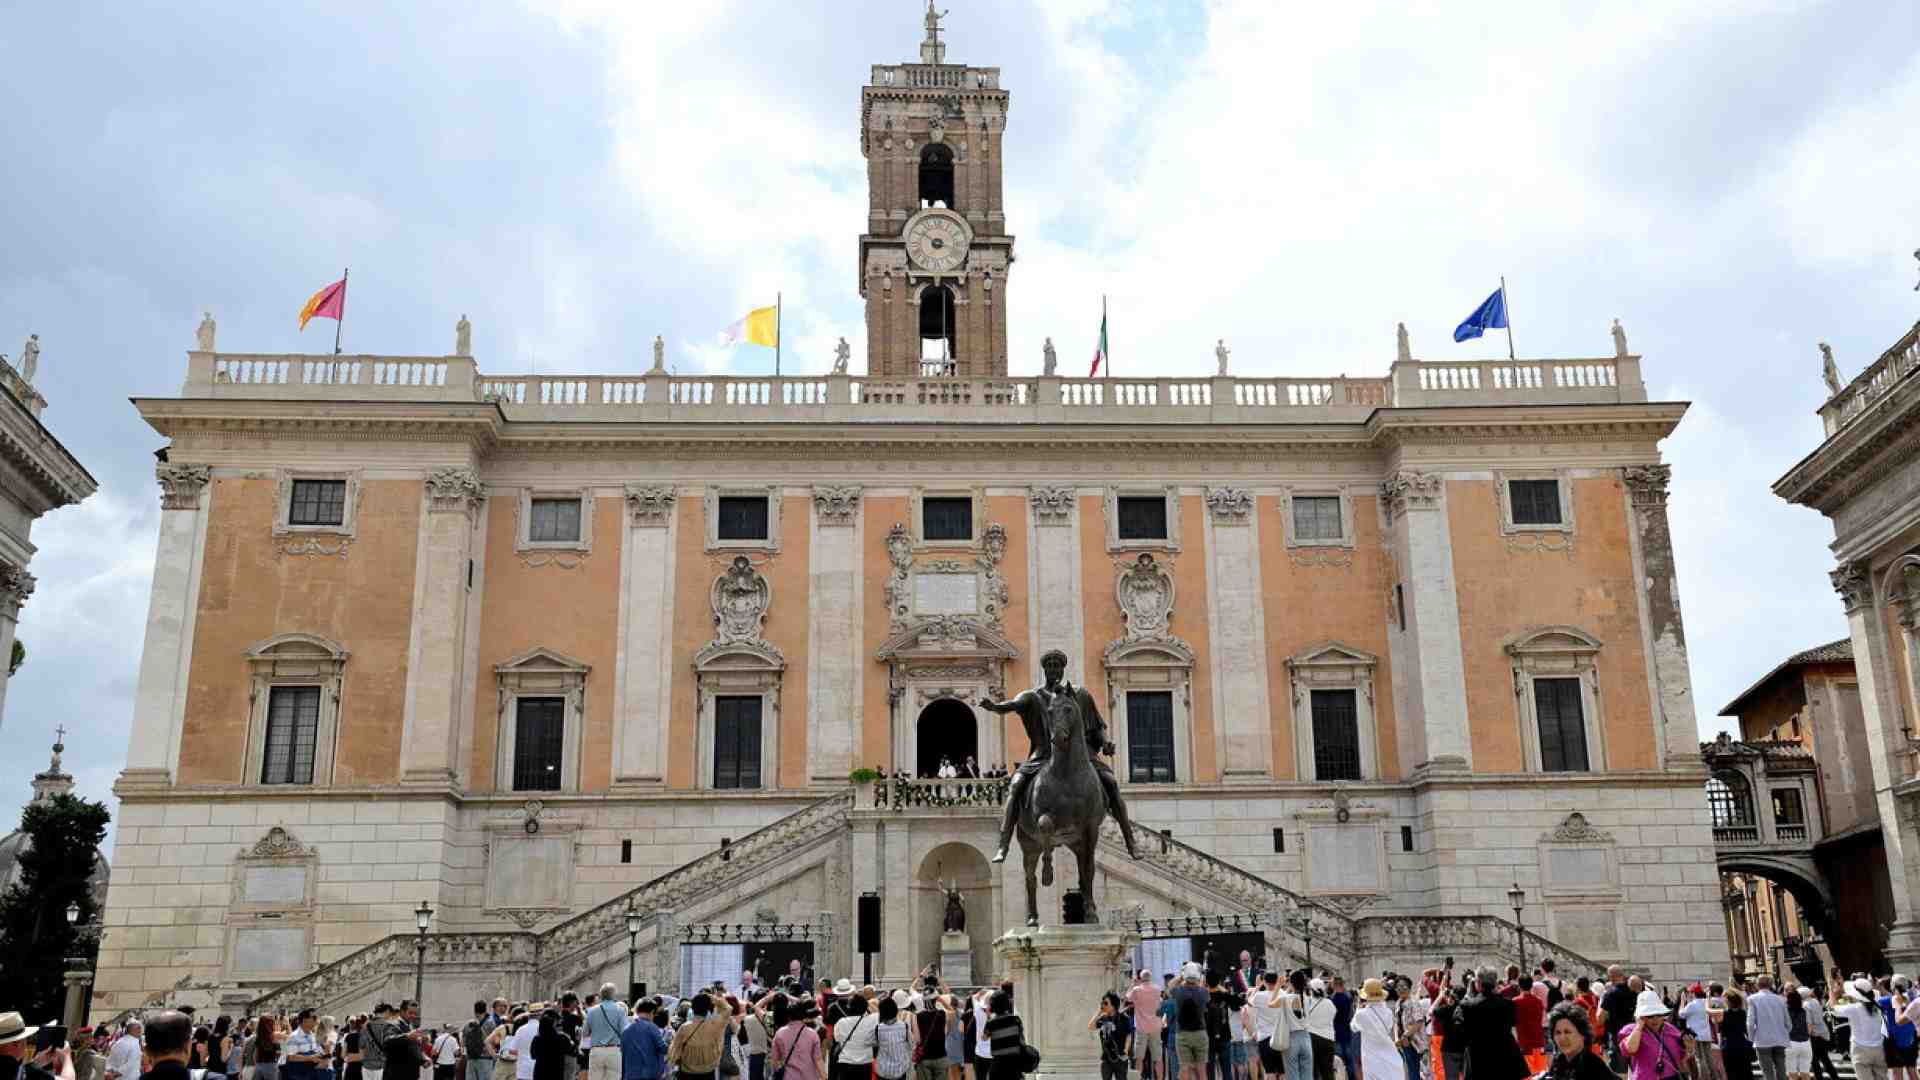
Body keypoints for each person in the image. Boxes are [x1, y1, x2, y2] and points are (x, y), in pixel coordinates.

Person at [1458, 968, 1528, 1080]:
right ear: (1495, 983)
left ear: (1478, 984)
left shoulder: (1468, 1006)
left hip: (1478, 1060)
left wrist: (1468, 995)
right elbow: (1513, 1023)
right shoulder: (1508, 1005)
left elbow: (1459, 1027)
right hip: (1505, 1058)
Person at [1619, 990, 1688, 1080]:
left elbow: (1681, 1058)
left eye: (1658, 1015)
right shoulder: (1631, 1030)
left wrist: (1689, 1049)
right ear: (1641, 1016)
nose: (1655, 1019)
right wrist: (1639, 1026)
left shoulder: (1671, 1029)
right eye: (1649, 1015)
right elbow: (1630, 1049)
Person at [1545, 1002, 1616, 1080]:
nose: (1562, 1038)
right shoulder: (1559, 1061)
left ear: (1582, 1035)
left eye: (1567, 1032)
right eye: (1558, 1033)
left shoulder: (1592, 1066)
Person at [1832, 980, 1886, 1080]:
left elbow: (1834, 1009)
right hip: (1879, 1047)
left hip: (1860, 1048)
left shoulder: (1855, 1008)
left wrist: (1833, 993)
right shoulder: (1878, 1007)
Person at [1354, 978, 1407, 1080]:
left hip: (1371, 1054)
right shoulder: (1388, 1012)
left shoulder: (1362, 1014)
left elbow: (1354, 1026)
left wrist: (1358, 1006)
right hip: (1388, 1050)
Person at [668, 995, 726, 1080]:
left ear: (693, 1008)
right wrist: (714, 998)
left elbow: (674, 1051)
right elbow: (728, 1009)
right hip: (708, 1072)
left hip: (687, 1073)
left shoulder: (685, 1028)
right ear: (708, 1009)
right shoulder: (714, 1026)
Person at [1749, 976, 1790, 1080]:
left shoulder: (1753, 999)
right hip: (1780, 1038)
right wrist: (1785, 1032)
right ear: (1771, 985)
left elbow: (1750, 1022)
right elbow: (1788, 1022)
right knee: (1781, 1069)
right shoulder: (1781, 999)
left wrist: (1751, 1038)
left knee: (1767, 1072)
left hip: (1762, 1039)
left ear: (1757, 985)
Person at [769, 1003, 822, 1080]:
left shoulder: (780, 1033)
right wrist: (824, 1076)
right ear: (803, 1016)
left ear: (788, 1016)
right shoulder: (812, 1034)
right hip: (809, 1076)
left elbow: (774, 1060)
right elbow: (818, 1059)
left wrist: (777, 1072)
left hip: (788, 1076)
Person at [584, 987, 627, 1080]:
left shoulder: (591, 1011)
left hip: (596, 1050)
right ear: (613, 995)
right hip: (614, 1050)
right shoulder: (620, 1010)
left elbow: (585, 1032)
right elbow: (624, 1033)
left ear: (601, 995)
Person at [833, 994, 879, 1080]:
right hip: (865, 1064)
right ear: (865, 1008)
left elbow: (837, 1038)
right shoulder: (872, 1020)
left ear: (849, 1007)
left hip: (845, 1063)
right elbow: (877, 1012)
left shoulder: (841, 1022)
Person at [616, 1003, 666, 1080]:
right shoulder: (652, 1027)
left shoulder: (626, 1029)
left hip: (630, 1074)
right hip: (649, 1073)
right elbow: (663, 1048)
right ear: (652, 1012)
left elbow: (622, 1051)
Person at [1131, 970, 1166, 1080]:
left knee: (1139, 1058)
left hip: (1141, 1028)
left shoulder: (1137, 990)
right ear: (1150, 978)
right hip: (1155, 1027)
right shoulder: (1157, 989)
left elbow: (1127, 998)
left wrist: (1134, 984)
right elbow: (1160, 1004)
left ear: (1141, 978)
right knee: (1158, 1058)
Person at [1883, 979, 1919, 1080]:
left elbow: (1871, 1002)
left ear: (1893, 987)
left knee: (1897, 1073)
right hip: (1911, 1040)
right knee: (1912, 1071)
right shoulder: (1914, 999)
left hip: (1895, 1041)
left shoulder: (1888, 1000)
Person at [981, 992, 1023, 1080]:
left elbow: (984, 1038)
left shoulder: (991, 1023)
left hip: (998, 1064)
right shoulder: (1016, 1020)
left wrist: (988, 1016)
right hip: (1014, 1063)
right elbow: (1021, 1038)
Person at [1091, 994, 1132, 1080]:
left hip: (1120, 1058)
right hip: (1106, 1058)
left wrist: (1126, 1049)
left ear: (1113, 1005)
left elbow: (1129, 1034)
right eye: (1102, 1003)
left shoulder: (1123, 1018)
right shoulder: (1103, 1018)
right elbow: (1091, 1026)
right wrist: (1099, 1012)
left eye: (1106, 1003)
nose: (1103, 1005)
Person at [1802, 987, 1837, 1080]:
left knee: (1814, 1062)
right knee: (1825, 1059)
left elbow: (1809, 1023)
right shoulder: (1815, 1001)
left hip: (1814, 1036)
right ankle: (1835, 1077)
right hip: (1822, 1034)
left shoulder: (1805, 1005)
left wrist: (1806, 1037)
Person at [528, 1014, 574, 1080]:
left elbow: (533, 1056)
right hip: (556, 1071)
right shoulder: (561, 1037)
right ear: (553, 1025)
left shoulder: (537, 1038)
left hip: (540, 1071)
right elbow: (570, 1051)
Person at [874, 998, 911, 1080]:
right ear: (895, 1010)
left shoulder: (878, 1028)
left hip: (883, 1070)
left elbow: (875, 1045)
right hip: (900, 1070)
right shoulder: (904, 1026)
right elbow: (910, 1044)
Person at [1721, 991, 1754, 1080]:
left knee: (1731, 1072)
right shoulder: (1743, 1013)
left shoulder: (1725, 1013)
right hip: (1742, 1044)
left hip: (1729, 1045)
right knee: (1745, 1071)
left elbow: (1722, 1030)